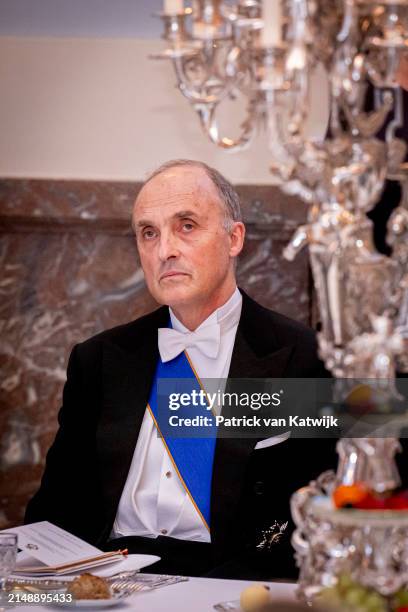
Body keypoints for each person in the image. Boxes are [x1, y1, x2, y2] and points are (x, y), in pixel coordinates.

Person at [25, 159, 338, 580]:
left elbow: (342, 509)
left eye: (186, 225)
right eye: (148, 233)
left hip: (230, 583)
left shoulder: (307, 356)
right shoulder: (97, 359)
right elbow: (54, 508)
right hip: (100, 583)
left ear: (234, 238)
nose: (164, 250)